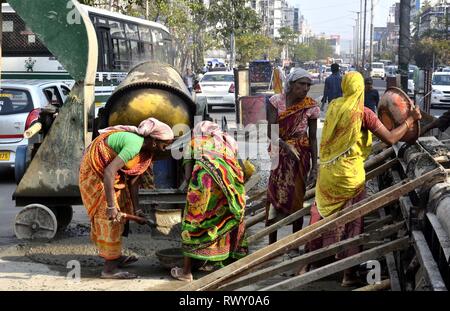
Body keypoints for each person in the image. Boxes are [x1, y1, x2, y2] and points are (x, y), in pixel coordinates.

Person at [302, 71, 421, 285]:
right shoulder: (363, 113)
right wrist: (411, 119)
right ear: (361, 89)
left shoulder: (334, 107)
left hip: (328, 173)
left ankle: (308, 264)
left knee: (320, 214)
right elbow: (392, 138)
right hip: (349, 178)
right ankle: (348, 274)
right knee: (352, 221)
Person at [79, 117, 174, 279]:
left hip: (110, 175)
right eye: (165, 143)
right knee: (110, 218)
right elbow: (109, 172)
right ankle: (109, 269)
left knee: (123, 207)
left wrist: (137, 210)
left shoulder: (145, 150)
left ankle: (115, 257)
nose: (167, 148)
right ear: (154, 141)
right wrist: (110, 206)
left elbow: (134, 178)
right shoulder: (134, 144)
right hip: (97, 175)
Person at [170, 121, 248, 282]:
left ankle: (186, 272)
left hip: (204, 185)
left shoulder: (194, 142)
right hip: (229, 183)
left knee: (194, 222)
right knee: (223, 219)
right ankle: (224, 263)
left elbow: (187, 175)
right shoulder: (228, 140)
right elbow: (241, 167)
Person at [266, 68, 319, 247]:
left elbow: (312, 138)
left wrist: (315, 167)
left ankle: (295, 243)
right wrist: (285, 146)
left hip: (301, 157)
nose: (305, 88)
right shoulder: (276, 101)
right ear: (291, 84)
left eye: (308, 85)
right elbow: (270, 132)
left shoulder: (311, 106)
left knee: (297, 197)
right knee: (274, 194)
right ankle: (271, 242)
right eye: (301, 84)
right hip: (279, 154)